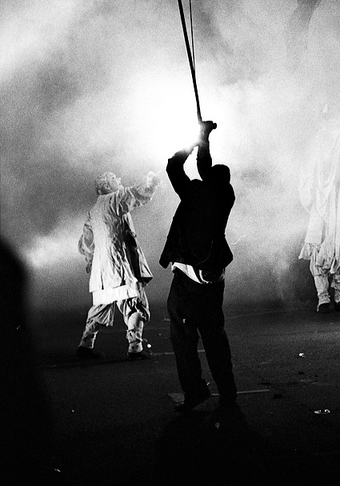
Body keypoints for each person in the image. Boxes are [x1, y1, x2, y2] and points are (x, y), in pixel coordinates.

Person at [159, 119, 237, 412]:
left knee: (183, 339)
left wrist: (196, 140)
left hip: (188, 282)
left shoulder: (194, 193)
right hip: (213, 280)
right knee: (215, 337)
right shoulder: (225, 195)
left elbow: (173, 167)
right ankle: (228, 390)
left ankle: (195, 391)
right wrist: (204, 139)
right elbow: (207, 168)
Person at [76, 168, 159, 359]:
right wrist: (150, 182)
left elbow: (86, 242)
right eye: (114, 178)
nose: (119, 179)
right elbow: (134, 194)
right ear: (106, 186)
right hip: (121, 266)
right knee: (134, 304)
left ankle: (85, 344)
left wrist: (90, 261)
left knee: (101, 305)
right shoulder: (113, 199)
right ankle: (135, 348)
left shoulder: (94, 210)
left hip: (103, 270)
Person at [298, 102, 340, 313]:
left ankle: (337, 296)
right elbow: (308, 172)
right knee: (321, 246)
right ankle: (324, 298)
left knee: (339, 244)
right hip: (323, 203)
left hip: (337, 200)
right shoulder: (321, 140)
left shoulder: (338, 139)